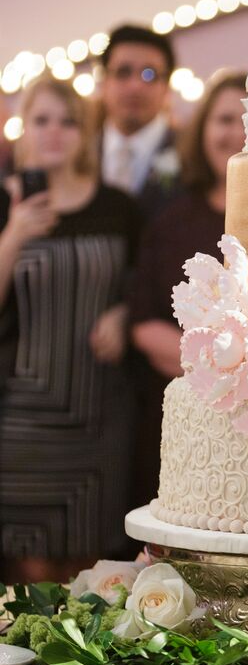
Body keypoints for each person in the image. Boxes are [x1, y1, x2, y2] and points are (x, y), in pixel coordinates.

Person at [0, 77, 140, 583]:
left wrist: (123, 314)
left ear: (85, 133)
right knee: (28, 576)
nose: (54, 132)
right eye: (42, 120)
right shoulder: (3, 206)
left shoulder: (118, 207)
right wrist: (14, 232)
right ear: (24, 130)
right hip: (22, 417)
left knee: (91, 577)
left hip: (100, 411)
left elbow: (145, 292)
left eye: (68, 121)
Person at [128, 71, 248, 505]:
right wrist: (218, 372)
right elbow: (142, 322)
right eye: (224, 119)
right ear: (202, 131)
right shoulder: (171, 221)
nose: (236, 132)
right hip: (182, 426)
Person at [99, 23, 180, 219]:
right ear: (103, 82)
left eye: (149, 74)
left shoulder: (190, 153)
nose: (136, 86)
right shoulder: (78, 154)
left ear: (166, 86)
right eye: (123, 72)